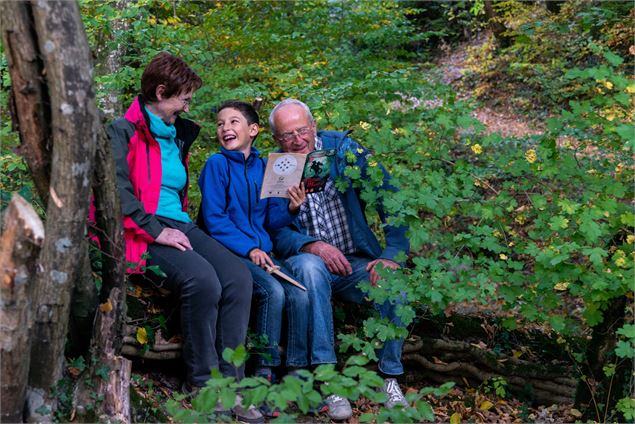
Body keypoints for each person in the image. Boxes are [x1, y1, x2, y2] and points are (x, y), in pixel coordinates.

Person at [105, 53, 262, 423]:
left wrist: (174, 227)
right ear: (161, 91)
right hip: (141, 227)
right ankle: (203, 383)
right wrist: (156, 231)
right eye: (184, 97)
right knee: (202, 280)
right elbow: (117, 190)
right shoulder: (122, 130)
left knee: (239, 277)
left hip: (179, 222)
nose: (189, 104)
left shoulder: (178, 133)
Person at [268, 99, 411, 418]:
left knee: (394, 286)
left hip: (355, 262)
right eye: (287, 135)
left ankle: (389, 378)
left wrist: (391, 255)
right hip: (309, 266)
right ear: (277, 139)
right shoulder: (279, 168)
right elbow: (274, 231)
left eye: (302, 130)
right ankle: (329, 379)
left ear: (314, 127)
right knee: (310, 267)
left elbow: (390, 197)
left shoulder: (344, 151)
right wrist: (312, 245)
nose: (297, 140)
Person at [197, 101, 308, 387]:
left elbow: (272, 219)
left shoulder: (264, 167)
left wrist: (292, 208)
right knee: (273, 292)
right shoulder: (216, 165)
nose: (225, 128)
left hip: (262, 252)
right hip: (231, 252)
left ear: (253, 130)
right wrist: (249, 248)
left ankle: (296, 370)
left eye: (234, 122)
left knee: (299, 293)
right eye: (220, 124)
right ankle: (262, 370)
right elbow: (214, 220)